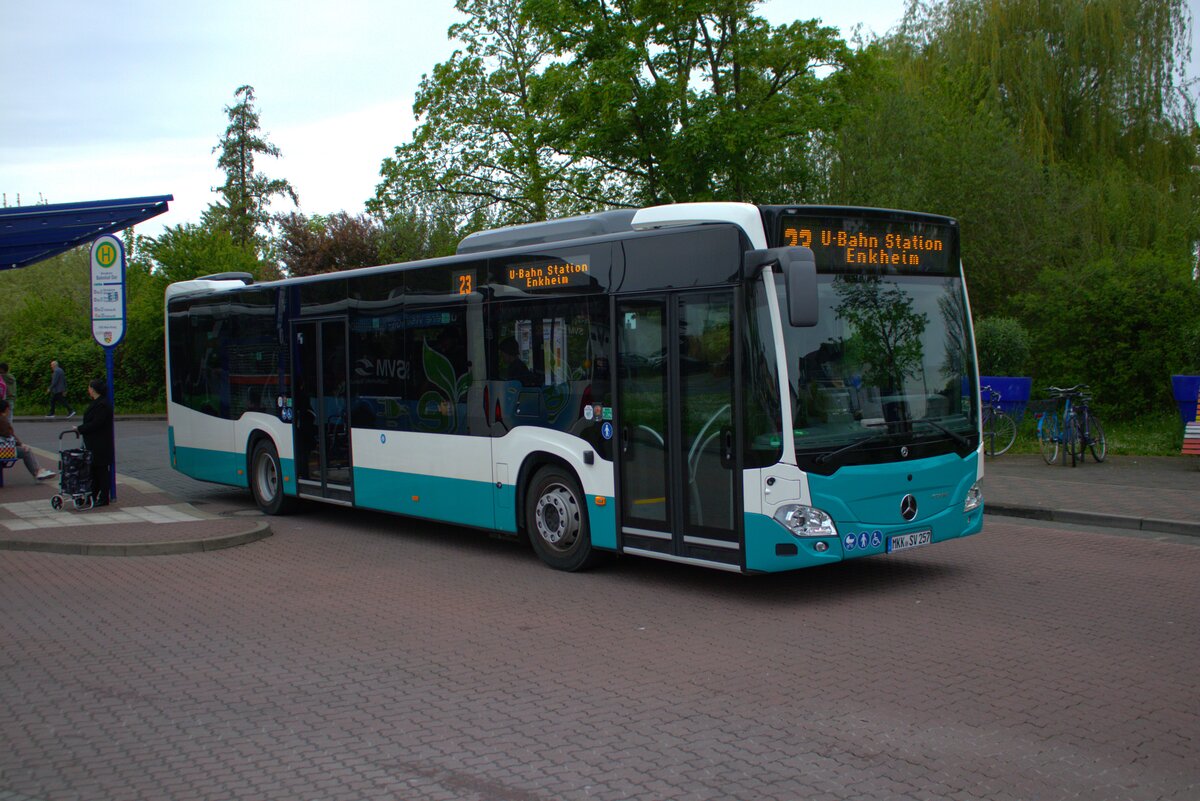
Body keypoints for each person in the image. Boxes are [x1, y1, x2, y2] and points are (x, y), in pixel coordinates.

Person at [74, 378, 114, 507]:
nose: (88, 390)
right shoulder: (100, 403)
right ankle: (93, 495)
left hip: (100, 443)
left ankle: (103, 497)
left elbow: (96, 423)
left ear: (93, 390)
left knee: (101, 470)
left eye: (89, 387)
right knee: (95, 470)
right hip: (96, 442)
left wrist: (80, 429)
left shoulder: (102, 405)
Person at [0, 398, 57, 481]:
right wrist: (20, 444)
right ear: (6, 409)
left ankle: (39, 471)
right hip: (3, 450)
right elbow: (8, 435)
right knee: (26, 451)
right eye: (9, 409)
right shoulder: (3, 420)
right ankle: (37, 471)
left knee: (24, 449)